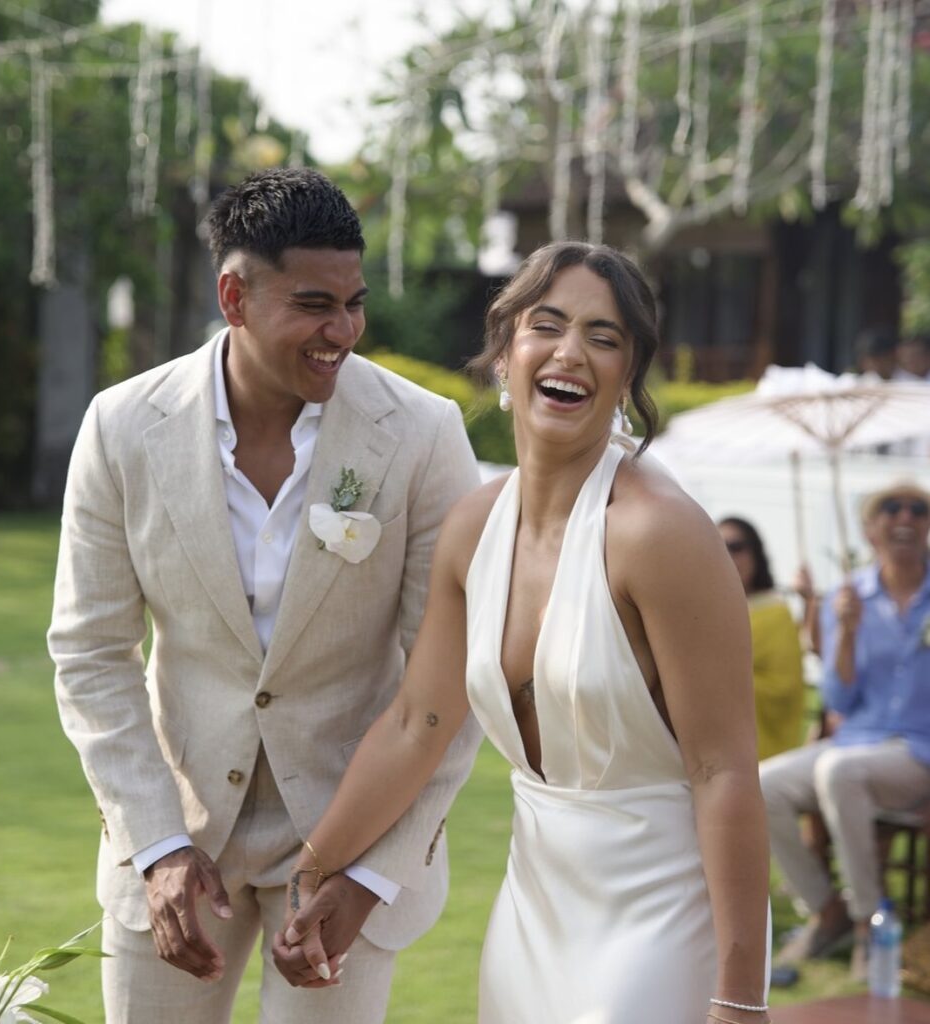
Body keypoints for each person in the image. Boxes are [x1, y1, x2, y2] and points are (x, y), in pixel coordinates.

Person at [277, 242, 772, 1024]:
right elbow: (417, 724)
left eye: (603, 338)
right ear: (506, 352)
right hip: (532, 907)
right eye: (547, 325)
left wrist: (739, 996)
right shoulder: (473, 526)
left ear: (627, 376)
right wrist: (315, 872)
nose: (571, 352)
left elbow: (725, 772)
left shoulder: (660, 534)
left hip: (662, 911)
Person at [48, 167, 482, 1024]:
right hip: (175, 833)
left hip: (350, 826)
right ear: (234, 297)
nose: (343, 332)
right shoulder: (121, 426)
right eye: (315, 305)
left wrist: (370, 875)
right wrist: (159, 844)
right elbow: (91, 652)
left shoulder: (425, 434)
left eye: (354, 303)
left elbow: (449, 680)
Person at [761, 480, 930, 981]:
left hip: (919, 751)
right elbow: (838, 700)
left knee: (838, 771)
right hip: (857, 741)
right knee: (761, 783)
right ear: (869, 529)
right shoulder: (846, 596)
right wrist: (846, 633)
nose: (904, 517)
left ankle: (867, 923)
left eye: (917, 510)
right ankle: (826, 909)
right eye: (889, 509)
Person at [718, 517, 806, 761]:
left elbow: (784, 689)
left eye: (736, 547)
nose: (728, 555)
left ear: (755, 552)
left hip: (758, 754)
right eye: (718, 545)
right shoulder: (697, 612)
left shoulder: (775, 612)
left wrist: (712, 679)